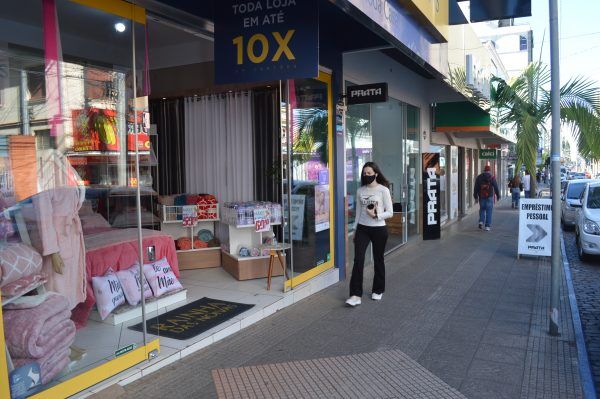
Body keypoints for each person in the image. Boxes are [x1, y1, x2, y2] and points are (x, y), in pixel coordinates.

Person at [346, 162, 393, 307]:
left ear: (376, 174)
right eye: (364, 173)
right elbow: (359, 212)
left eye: (369, 173)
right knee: (358, 260)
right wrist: (354, 230)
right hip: (362, 229)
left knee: (378, 259)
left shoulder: (383, 190)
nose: (367, 176)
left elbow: (390, 212)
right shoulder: (360, 190)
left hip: (379, 229)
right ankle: (355, 295)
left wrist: (376, 215)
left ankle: (378, 290)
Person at [473, 165, 501, 231]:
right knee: (489, 211)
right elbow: (496, 187)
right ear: (489, 170)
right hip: (489, 197)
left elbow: (476, 188)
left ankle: (481, 221)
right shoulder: (492, 178)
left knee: (482, 209)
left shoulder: (479, 177)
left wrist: (475, 196)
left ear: (484, 170)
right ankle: (487, 226)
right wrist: (498, 195)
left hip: (481, 196)